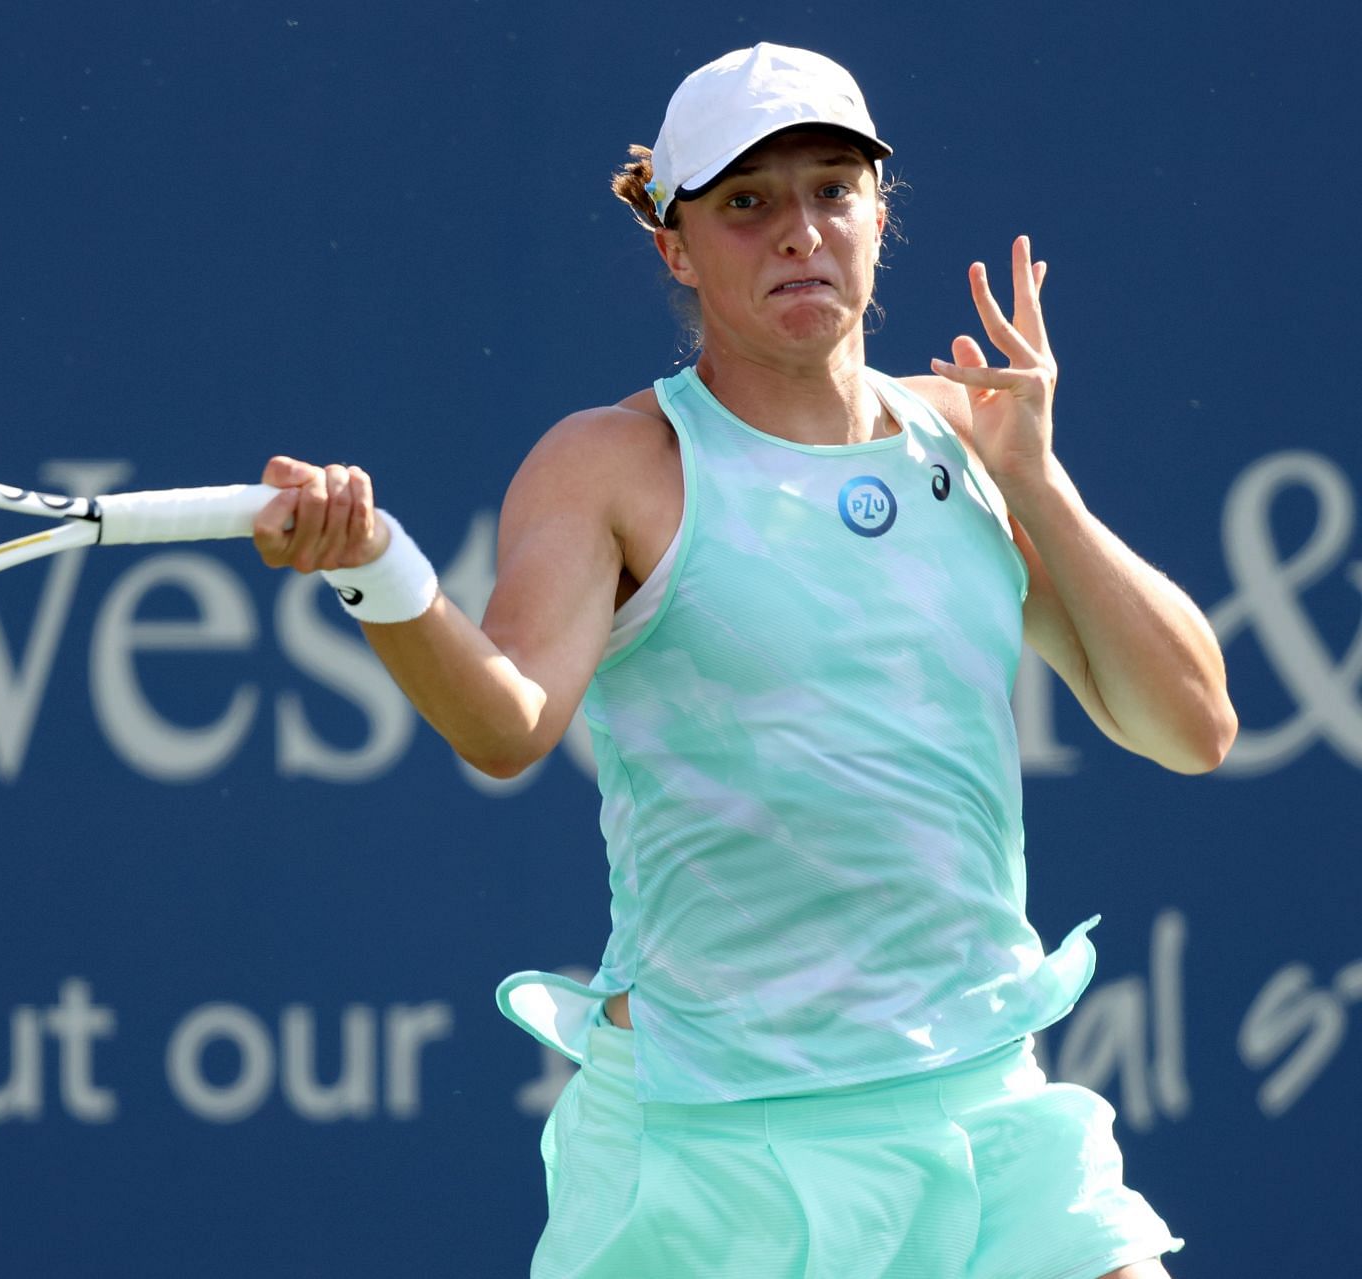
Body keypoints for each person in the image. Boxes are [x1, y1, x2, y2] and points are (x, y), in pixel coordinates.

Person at [252, 41, 1235, 1279]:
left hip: (986, 1109)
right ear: (675, 246)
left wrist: (1039, 480)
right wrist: (379, 570)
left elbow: (1192, 728)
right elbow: (505, 724)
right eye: (748, 204)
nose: (800, 233)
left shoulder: (977, 442)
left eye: (834, 190)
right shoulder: (612, 463)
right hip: (714, 1153)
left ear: (881, 215)